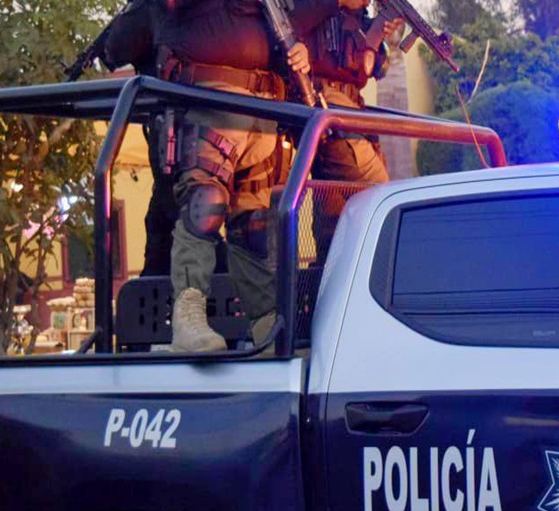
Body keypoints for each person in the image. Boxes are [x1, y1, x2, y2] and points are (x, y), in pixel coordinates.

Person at [155, 0, 365, 352]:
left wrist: (298, 50)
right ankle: (188, 318)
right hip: (212, 97)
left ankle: (267, 323)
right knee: (206, 203)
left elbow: (289, 22)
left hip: (264, 106)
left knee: (257, 225)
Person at [100, 0, 229, 278]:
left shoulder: (158, 9)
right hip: (228, 125)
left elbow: (116, 49)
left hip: (181, 135)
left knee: (176, 221)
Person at [302, 1, 401, 264]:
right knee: (378, 199)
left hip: (350, 109)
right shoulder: (319, 9)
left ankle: (325, 282)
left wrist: (377, 33)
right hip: (325, 103)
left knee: (335, 225)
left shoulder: (357, 17)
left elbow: (371, 68)